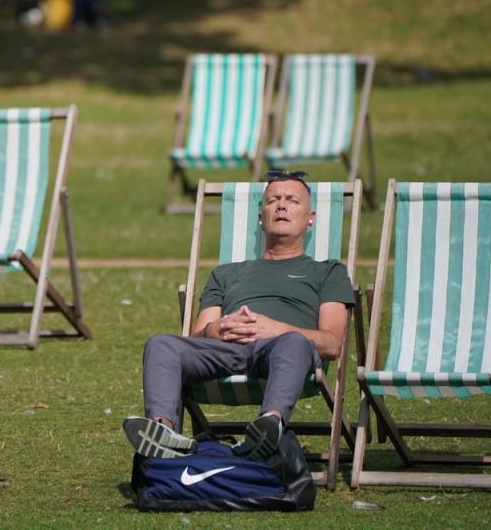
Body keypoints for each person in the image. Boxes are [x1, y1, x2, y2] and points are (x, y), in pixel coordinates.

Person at [123, 171, 354, 461]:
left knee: (293, 342)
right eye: (273, 200)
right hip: (224, 349)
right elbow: (195, 338)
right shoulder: (227, 273)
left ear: (310, 218)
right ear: (261, 216)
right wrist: (213, 330)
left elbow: (332, 344)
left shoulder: (328, 271)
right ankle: (164, 434)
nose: (281, 206)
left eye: (292, 200)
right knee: (162, 344)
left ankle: (268, 428)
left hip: (281, 351)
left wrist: (276, 329)